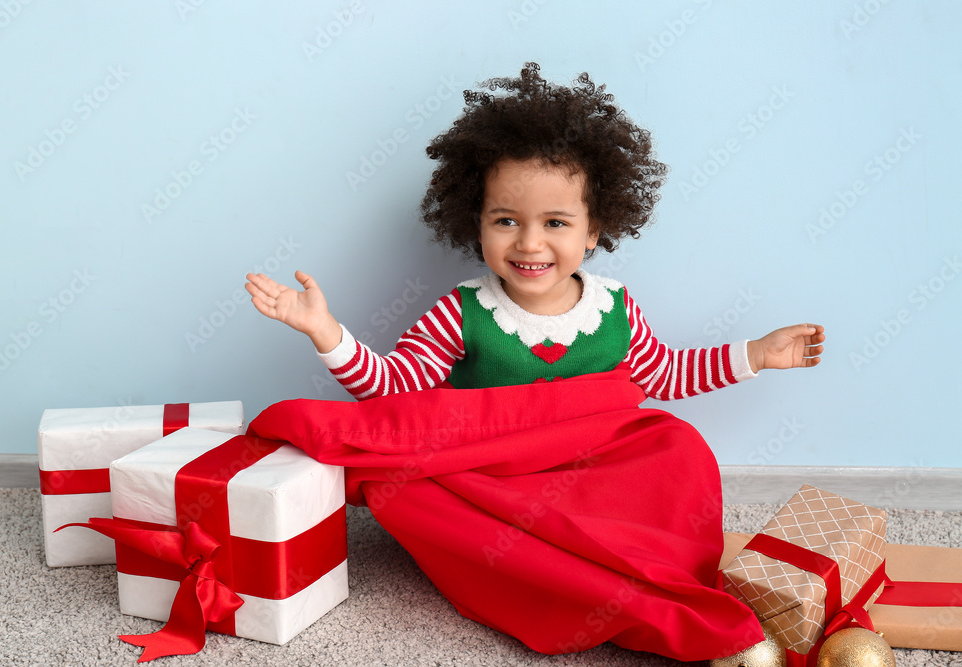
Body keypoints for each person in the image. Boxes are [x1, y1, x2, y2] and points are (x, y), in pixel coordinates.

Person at [244, 63, 824, 661]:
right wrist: (325, 330)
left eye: (555, 223)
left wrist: (755, 355)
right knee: (404, 491)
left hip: (588, 470)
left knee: (680, 448)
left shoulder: (615, 306)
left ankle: (633, 561)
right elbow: (395, 394)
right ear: (477, 224)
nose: (528, 243)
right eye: (506, 221)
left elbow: (662, 374)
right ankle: (545, 576)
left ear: (593, 230)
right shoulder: (463, 310)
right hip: (494, 478)